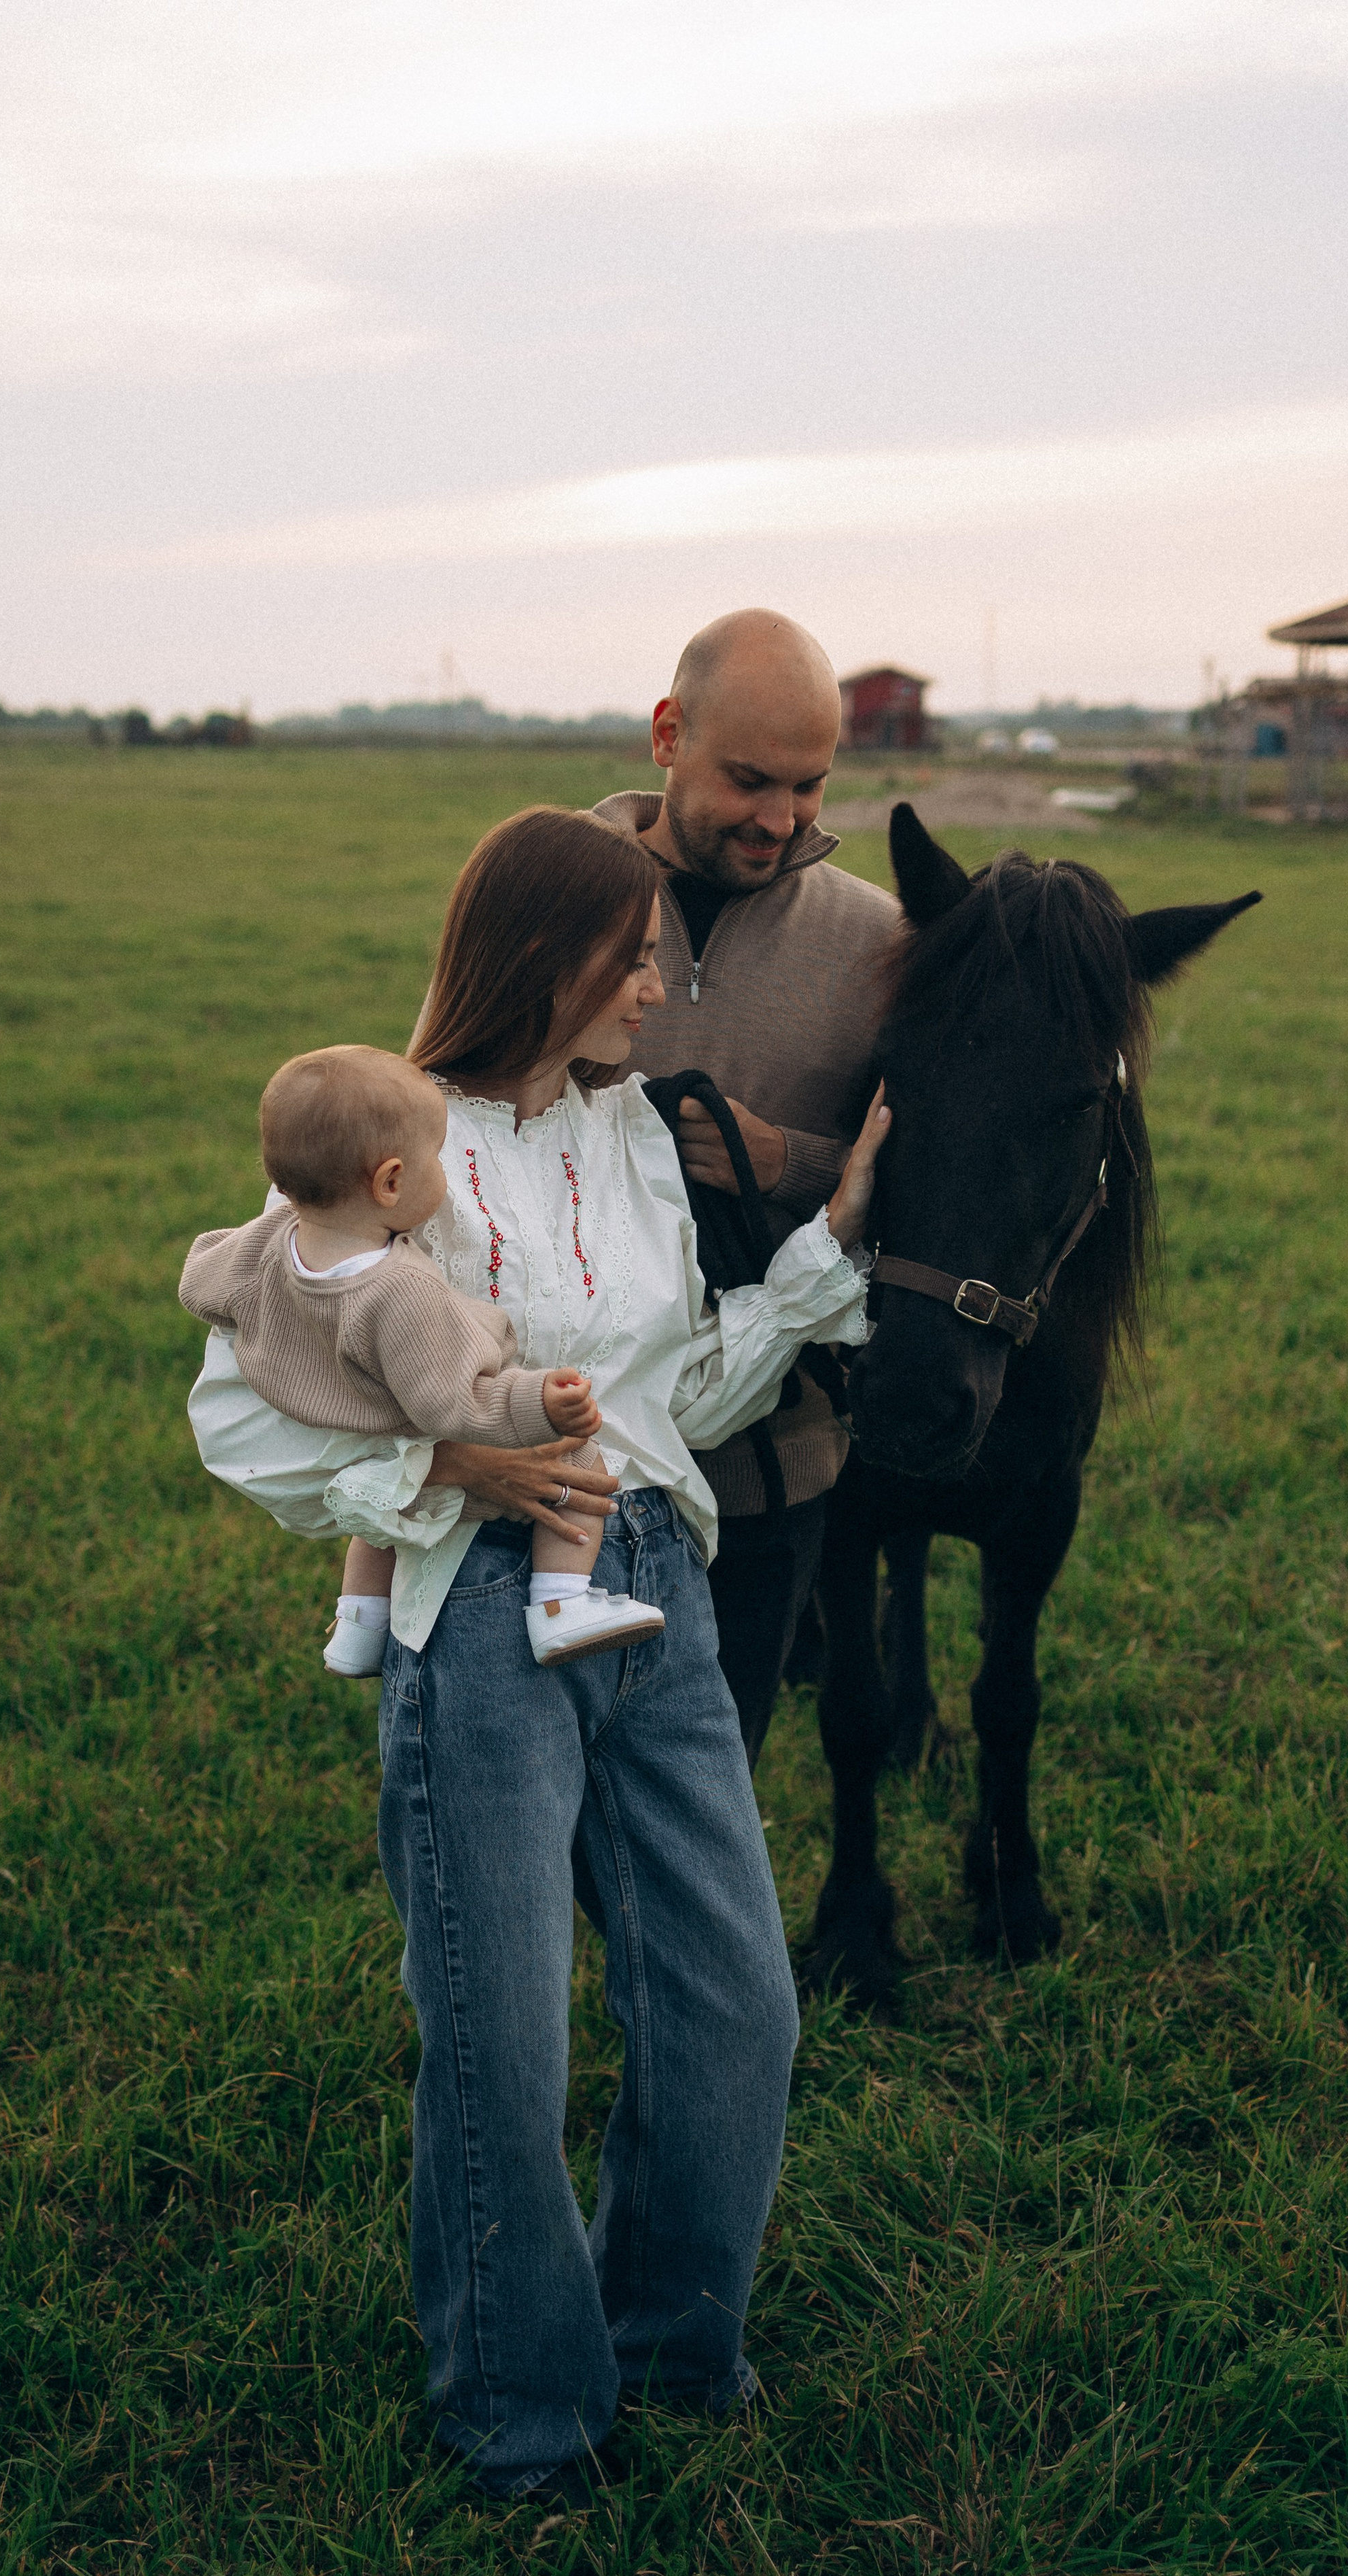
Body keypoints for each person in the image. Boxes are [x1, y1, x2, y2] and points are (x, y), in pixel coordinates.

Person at [185, 805, 890, 2505]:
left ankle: (668, 2340)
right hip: (483, 1620)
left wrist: (825, 1255)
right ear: (541, 960)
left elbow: (671, 1395)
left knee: (736, 2007)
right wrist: (441, 1467)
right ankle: (526, 2419)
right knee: (504, 2040)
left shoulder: (639, 1135)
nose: (655, 984)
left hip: (655, 1587)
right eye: (629, 955)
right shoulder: (389, 1142)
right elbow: (238, 1416)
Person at [422, 609, 902, 1765]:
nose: (781, 821)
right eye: (749, 780)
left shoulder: (885, 942)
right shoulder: (549, 893)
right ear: (666, 734)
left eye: (811, 786)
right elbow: (444, 1119)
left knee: (702, 1786)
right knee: (542, 1796)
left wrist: (781, 1159)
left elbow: (919, 1181)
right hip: (543, 1483)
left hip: (772, 1463)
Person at [177, 1043, 662, 1669]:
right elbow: (455, 1406)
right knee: (578, 1461)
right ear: (391, 1182)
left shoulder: (271, 1240)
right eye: (436, 1158)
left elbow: (200, 1284)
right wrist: (541, 1403)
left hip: (335, 1421)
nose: (445, 1171)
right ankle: (561, 1605)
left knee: (381, 1516)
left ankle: (357, 1622)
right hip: (399, 1418)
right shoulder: (401, 1291)